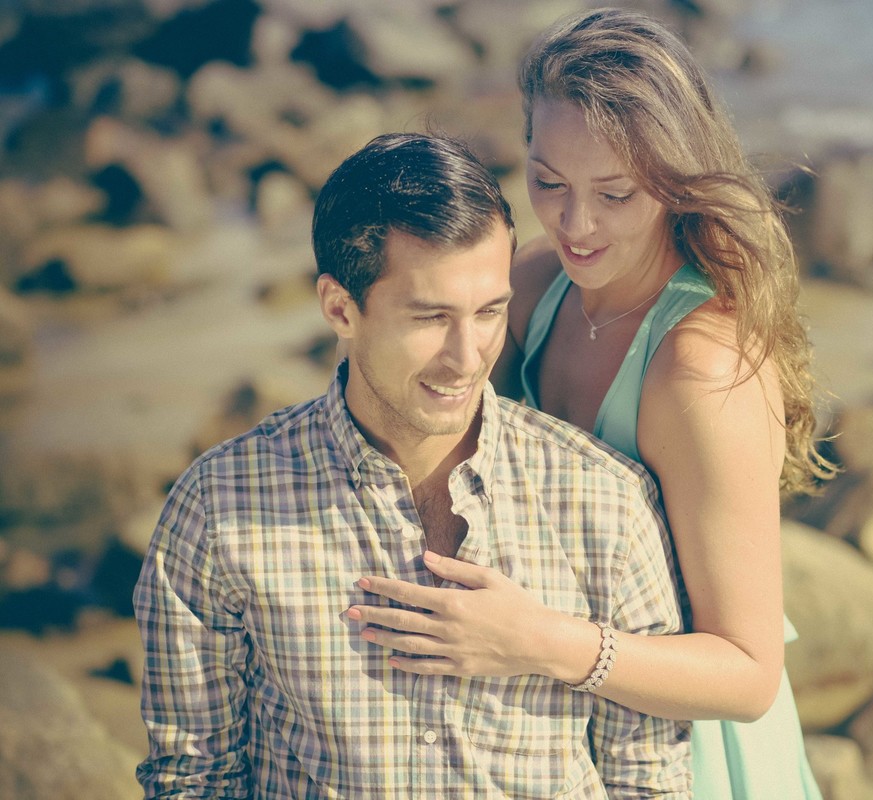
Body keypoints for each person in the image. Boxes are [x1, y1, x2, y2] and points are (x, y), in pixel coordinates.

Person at [354, 8, 833, 800]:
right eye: (548, 183)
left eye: (615, 193)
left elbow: (748, 675)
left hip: (693, 749)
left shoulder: (700, 371)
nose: (575, 225)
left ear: (676, 180)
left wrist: (538, 642)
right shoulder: (538, 286)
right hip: (561, 733)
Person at [134, 132, 691, 799]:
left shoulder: (604, 498)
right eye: (430, 318)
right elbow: (194, 779)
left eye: (490, 312)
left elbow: (648, 781)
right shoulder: (219, 508)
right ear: (340, 308)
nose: (467, 357)